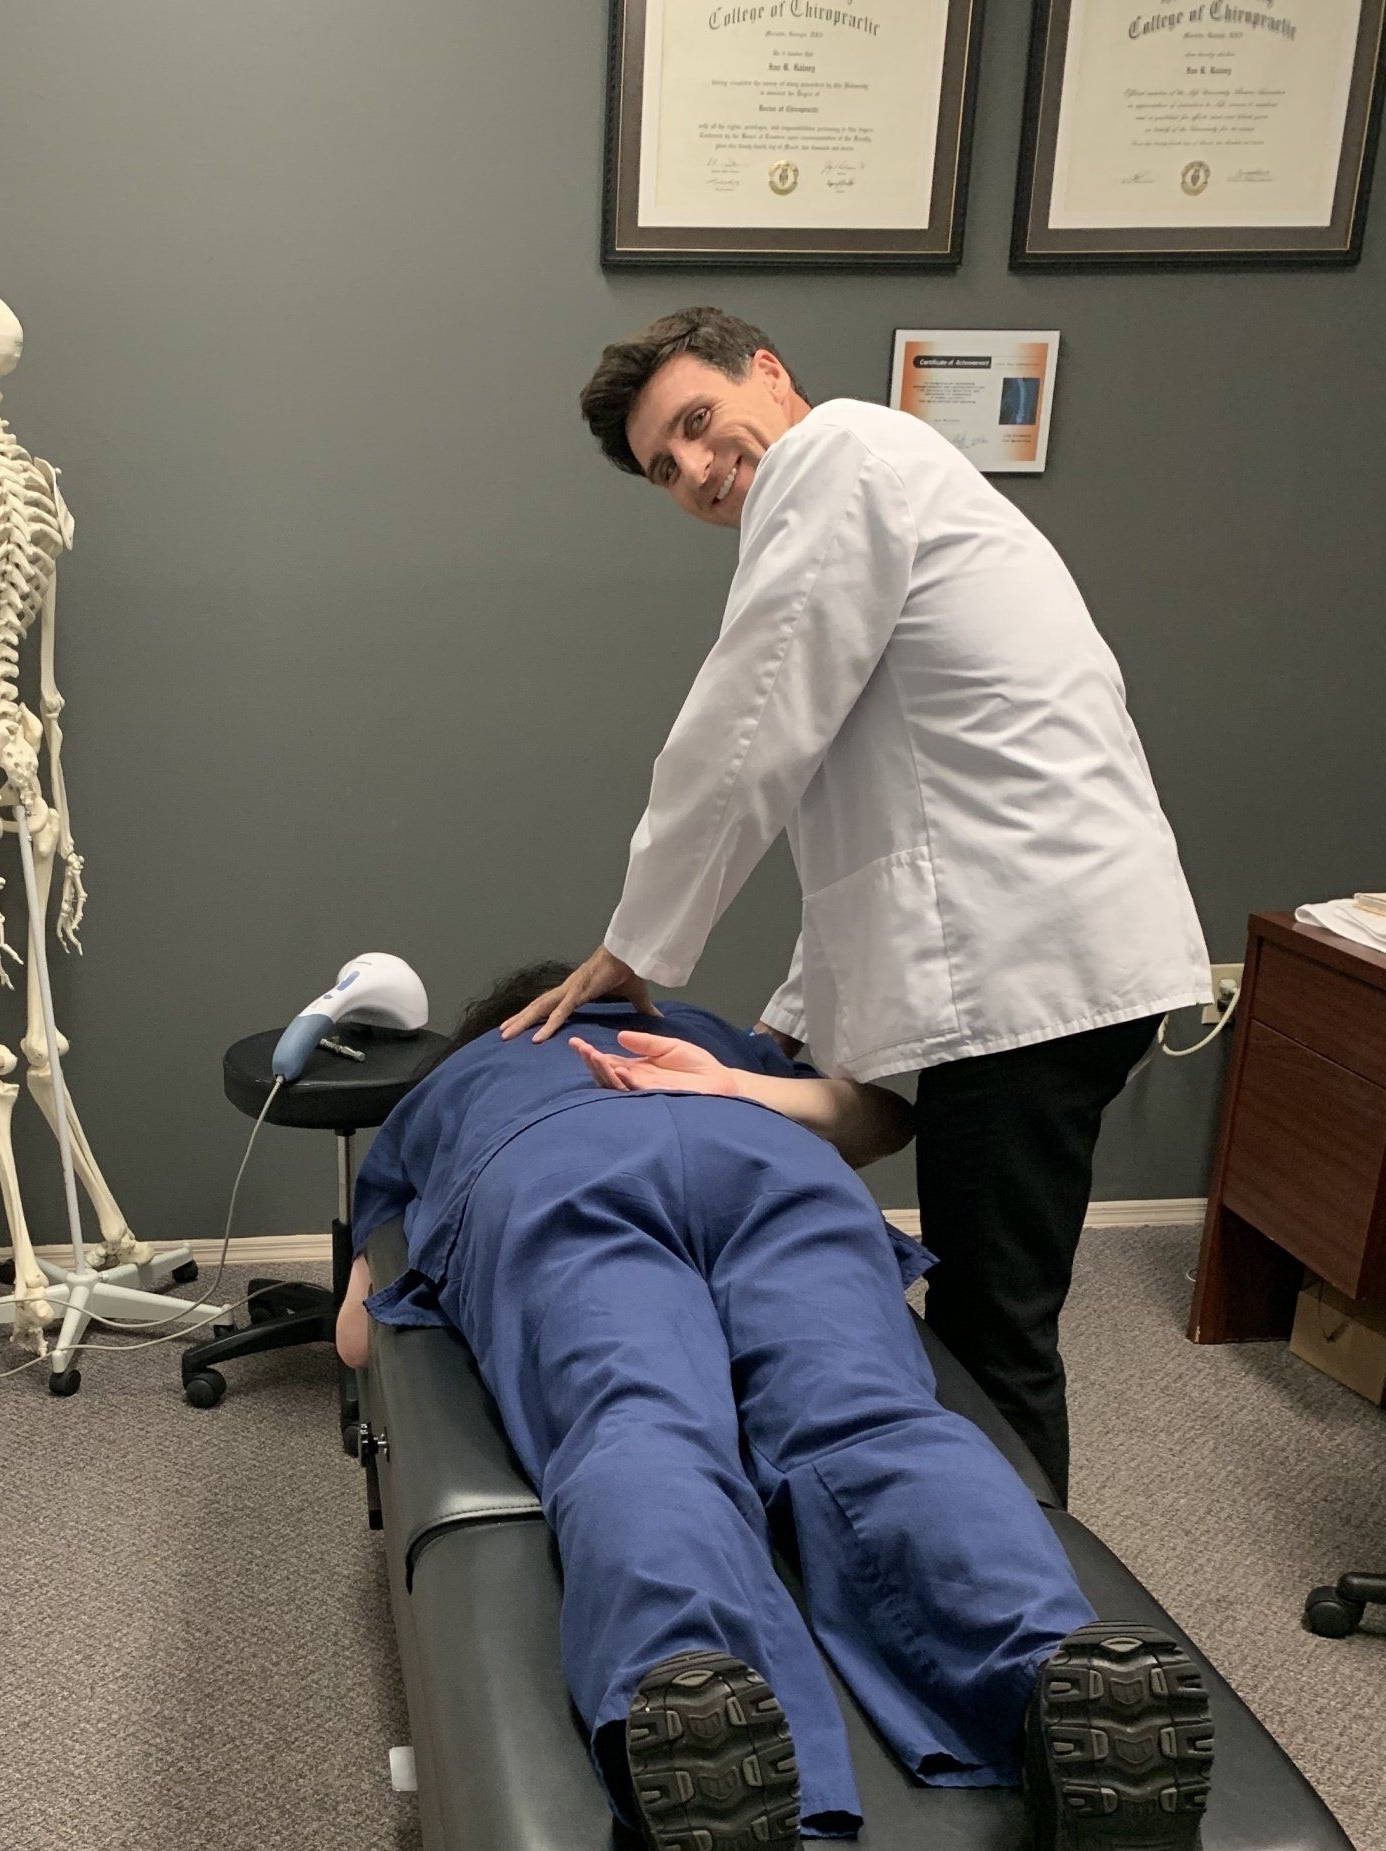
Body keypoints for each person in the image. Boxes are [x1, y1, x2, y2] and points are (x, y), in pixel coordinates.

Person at [340, 966, 1245, 1851]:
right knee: (871, 1424)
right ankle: (1044, 1671)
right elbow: (872, 1117)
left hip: (553, 1175)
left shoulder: (454, 1083)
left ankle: (696, 1680)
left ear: (492, 1022)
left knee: (642, 1427)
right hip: (768, 1156)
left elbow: (359, 1335)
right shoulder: (709, 1039)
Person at [498, 309, 1214, 1505]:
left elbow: (744, 731)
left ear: (767, 376)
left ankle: (1036, 1632)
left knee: (995, 1327)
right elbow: (864, 824)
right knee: (988, 1306)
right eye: (667, 471)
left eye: (695, 425)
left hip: (1033, 965)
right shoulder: (881, 487)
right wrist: (785, 1023)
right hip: (1032, 949)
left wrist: (636, 946)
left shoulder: (840, 460)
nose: (696, 471)